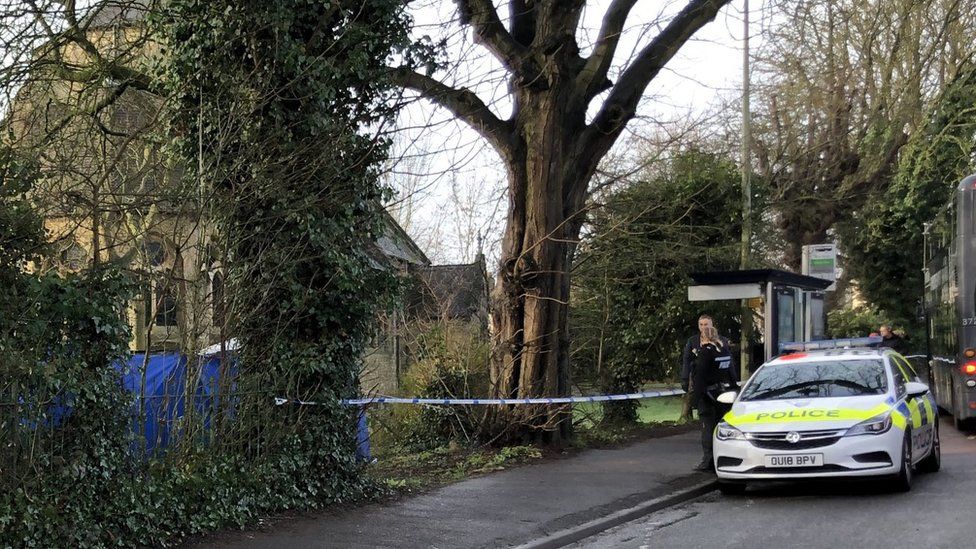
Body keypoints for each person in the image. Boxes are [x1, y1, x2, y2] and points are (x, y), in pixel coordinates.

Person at [690, 326, 738, 472]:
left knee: (708, 429)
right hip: (722, 393)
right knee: (720, 428)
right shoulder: (724, 350)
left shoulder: (705, 353)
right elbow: (731, 371)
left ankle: (708, 462)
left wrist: (695, 400)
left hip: (708, 395)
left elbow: (700, 378)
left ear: (703, 338)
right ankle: (722, 457)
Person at [681, 314, 737, 392]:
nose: (703, 327)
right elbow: (686, 360)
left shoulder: (722, 341)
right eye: (701, 324)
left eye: (706, 324)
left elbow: (728, 362)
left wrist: (733, 381)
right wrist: (685, 379)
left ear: (712, 325)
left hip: (718, 382)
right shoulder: (692, 341)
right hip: (699, 381)